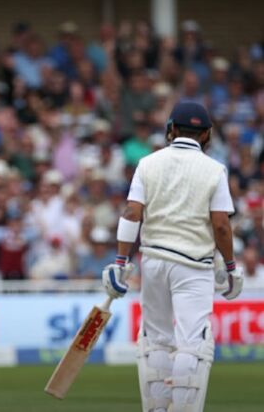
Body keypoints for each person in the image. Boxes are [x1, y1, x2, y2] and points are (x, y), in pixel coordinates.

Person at [102, 102, 244, 412]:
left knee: (156, 339)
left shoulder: (148, 163)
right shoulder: (214, 169)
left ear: (172, 130)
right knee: (192, 344)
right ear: (206, 134)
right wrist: (231, 267)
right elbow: (220, 225)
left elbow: (131, 213)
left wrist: (120, 262)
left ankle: (156, 409)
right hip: (194, 265)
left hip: (153, 261)